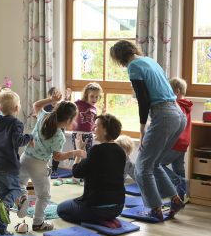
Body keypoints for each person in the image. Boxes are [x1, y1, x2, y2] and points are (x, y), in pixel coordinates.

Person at [110, 40, 186, 220]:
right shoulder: (149, 60)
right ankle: (175, 200)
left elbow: (143, 100)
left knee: (142, 168)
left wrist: (142, 129)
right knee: (155, 163)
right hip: (178, 114)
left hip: (165, 116)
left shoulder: (133, 66)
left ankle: (155, 209)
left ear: (120, 57)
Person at [18, 90, 86, 231]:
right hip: (39, 164)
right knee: (44, 196)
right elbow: (57, 157)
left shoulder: (44, 116)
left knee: (20, 184)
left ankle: (22, 198)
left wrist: (50, 99)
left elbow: (36, 105)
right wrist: (76, 152)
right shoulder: (59, 136)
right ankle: (38, 223)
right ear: (67, 121)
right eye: (73, 120)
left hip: (25, 157)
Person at [57, 114, 126, 227]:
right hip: (118, 207)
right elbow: (99, 168)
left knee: (61, 209)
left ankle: (97, 220)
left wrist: (78, 152)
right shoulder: (120, 151)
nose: (93, 128)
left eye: (97, 125)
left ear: (105, 130)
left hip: (96, 208)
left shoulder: (96, 150)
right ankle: (106, 218)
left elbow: (76, 172)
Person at [0, 90, 34, 235]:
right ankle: (4, 214)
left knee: (5, 198)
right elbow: (18, 141)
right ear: (16, 108)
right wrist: (29, 137)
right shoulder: (16, 123)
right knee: (16, 191)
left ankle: (1, 229)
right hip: (8, 166)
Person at [161, 77, 193, 200]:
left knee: (158, 164)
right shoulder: (187, 105)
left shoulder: (177, 106)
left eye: (169, 91)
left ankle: (177, 181)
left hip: (175, 142)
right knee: (179, 168)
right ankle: (181, 196)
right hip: (184, 143)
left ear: (177, 91)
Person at [71, 82, 103, 153]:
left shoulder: (94, 109)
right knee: (78, 153)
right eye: (92, 96)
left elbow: (95, 121)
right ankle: (76, 163)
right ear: (86, 95)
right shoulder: (79, 103)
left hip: (89, 134)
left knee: (87, 155)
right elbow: (69, 107)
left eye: (96, 97)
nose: (94, 99)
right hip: (77, 133)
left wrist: (103, 113)